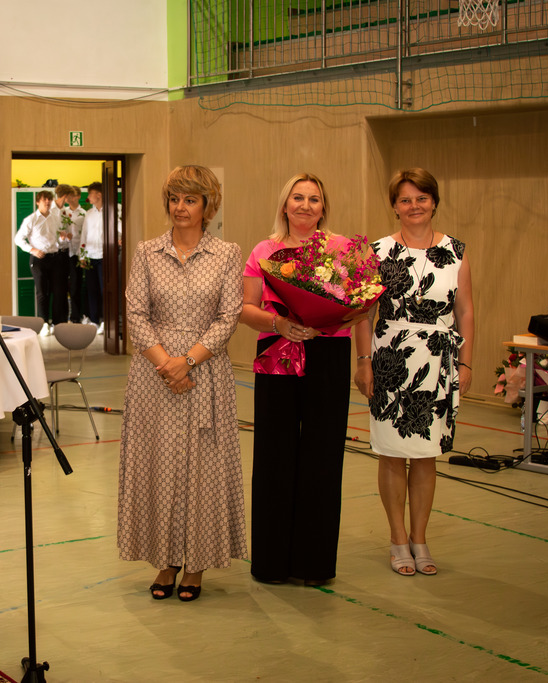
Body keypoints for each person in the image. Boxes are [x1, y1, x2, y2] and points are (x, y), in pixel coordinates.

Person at [117, 165, 246, 602]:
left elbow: (228, 316)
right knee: (159, 467)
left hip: (205, 373)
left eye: (190, 199)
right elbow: (136, 313)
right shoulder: (147, 251)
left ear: (208, 205)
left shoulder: (227, 253)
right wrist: (166, 365)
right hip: (154, 377)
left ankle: (197, 564)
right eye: (174, 198)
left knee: (203, 469)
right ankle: (166, 560)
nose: (180, 207)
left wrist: (187, 361)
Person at [353, 168, 474, 577]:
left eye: (421, 198)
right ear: (395, 206)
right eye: (405, 199)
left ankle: (420, 540)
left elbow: (466, 312)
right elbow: (363, 313)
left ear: (434, 202)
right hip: (390, 360)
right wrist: (364, 361)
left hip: (438, 362)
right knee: (391, 454)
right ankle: (397, 538)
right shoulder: (377, 251)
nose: (414, 206)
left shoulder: (456, 251)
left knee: (425, 456)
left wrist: (466, 362)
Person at [239, 173, 352, 586]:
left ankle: (314, 564)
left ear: (323, 208)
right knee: (275, 454)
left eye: (314, 199)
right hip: (277, 351)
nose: (305, 205)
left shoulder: (341, 250)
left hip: (329, 352)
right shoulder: (264, 250)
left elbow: (359, 306)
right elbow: (245, 308)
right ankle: (271, 563)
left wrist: (333, 317)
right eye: (297, 197)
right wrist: (280, 323)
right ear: (285, 205)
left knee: (323, 457)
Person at [14, 189, 68, 334]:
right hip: (39, 259)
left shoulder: (55, 217)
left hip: (55, 257)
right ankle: (44, 323)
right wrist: (32, 250)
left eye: (49, 199)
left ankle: (57, 323)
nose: (47, 202)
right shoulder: (31, 219)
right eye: (44, 200)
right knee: (42, 292)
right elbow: (18, 239)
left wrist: (62, 238)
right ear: (38, 202)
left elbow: (57, 239)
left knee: (58, 291)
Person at [56, 185, 87, 323]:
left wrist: (83, 255)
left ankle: (76, 317)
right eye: (69, 196)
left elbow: (85, 235)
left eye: (73, 196)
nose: (69, 198)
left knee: (75, 287)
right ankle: (62, 318)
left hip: (77, 254)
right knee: (61, 287)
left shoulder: (83, 214)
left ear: (78, 196)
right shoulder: (63, 212)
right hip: (64, 252)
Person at [79, 181, 105, 332]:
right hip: (90, 257)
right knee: (92, 290)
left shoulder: (112, 211)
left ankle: (106, 321)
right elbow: (84, 235)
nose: (88, 197)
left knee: (104, 290)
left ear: (98, 195)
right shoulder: (89, 214)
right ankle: (94, 320)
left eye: (90, 194)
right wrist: (82, 256)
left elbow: (120, 230)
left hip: (104, 257)